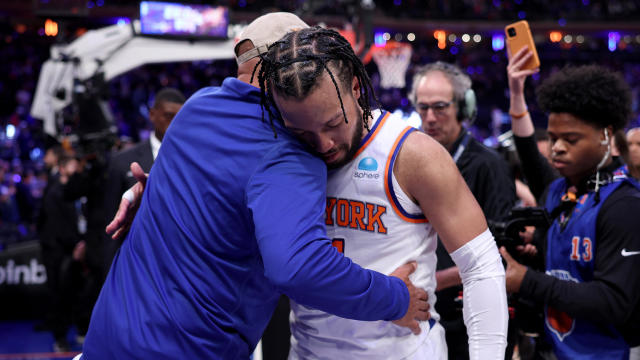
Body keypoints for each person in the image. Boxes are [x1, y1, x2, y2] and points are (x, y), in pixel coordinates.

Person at [80, 12, 428, 359]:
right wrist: (396, 298)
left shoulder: (196, 108)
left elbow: (216, 180)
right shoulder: (286, 151)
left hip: (104, 341)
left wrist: (149, 188)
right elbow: (299, 268)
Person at [257, 26, 508, 359]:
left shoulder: (413, 154)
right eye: (303, 131)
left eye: (333, 123)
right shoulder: (278, 153)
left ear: (356, 89)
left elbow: (481, 266)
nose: (323, 144)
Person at [502, 47, 640, 360]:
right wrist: (516, 91)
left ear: (607, 136)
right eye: (553, 138)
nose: (558, 148)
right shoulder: (558, 190)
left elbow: (614, 301)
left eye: (571, 139)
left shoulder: (625, 205)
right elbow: (526, 148)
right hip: (552, 349)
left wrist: (528, 281)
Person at [408, 61, 517, 359]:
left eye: (440, 107)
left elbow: (501, 255)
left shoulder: (488, 165)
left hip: (467, 320)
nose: (430, 117)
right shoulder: (411, 160)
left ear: (464, 107)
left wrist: (434, 279)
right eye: (423, 107)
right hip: (420, 316)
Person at [101, 88, 185, 272]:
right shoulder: (123, 161)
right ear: (153, 115)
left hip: (180, 264)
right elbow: (110, 221)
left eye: (180, 117)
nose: (174, 123)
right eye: (169, 116)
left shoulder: (193, 161)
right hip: (135, 263)